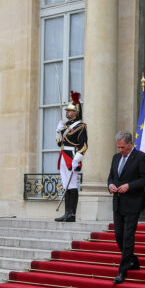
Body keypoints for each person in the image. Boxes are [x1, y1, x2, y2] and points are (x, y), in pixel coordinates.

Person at [107, 131, 145, 284]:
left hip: (133, 203)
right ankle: (133, 260)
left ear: (130, 144)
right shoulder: (115, 157)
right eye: (118, 147)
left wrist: (129, 186)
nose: (120, 150)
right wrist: (111, 185)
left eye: (123, 147)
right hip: (118, 203)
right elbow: (111, 177)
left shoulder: (141, 158)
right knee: (118, 235)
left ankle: (122, 271)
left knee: (127, 237)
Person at [55, 91, 88, 222]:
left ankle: (72, 214)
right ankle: (66, 212)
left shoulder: (81, 126)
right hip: (63, 155)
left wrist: (77, 159)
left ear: (76, 112)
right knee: (66, 185)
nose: (67, 113)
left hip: (72, 157)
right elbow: (59, 143)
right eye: (67, 110)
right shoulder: (66, 126)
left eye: (69, 110)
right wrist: (58, 131)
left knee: (72, 184)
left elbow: (84, 145)